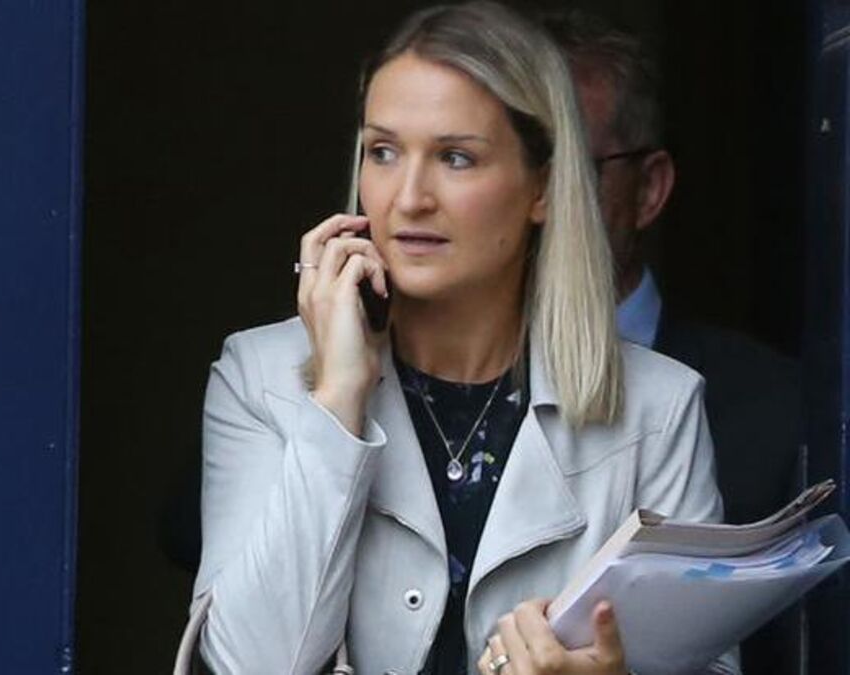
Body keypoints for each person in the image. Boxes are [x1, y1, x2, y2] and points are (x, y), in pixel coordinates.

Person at [189, 3, 738, 674]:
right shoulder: (260, 376)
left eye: (455, 157)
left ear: (542, 187)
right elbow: (249, 664)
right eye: (383, 152)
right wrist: (337, 399)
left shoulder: (659, 407)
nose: (408, 197)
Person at [540, 12, 803, 674]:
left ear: (649, 189)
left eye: (570, 169)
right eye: (515, 161)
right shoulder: (418, 390)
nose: (538, 201)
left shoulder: (776, 410)